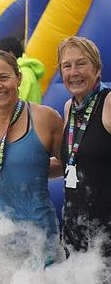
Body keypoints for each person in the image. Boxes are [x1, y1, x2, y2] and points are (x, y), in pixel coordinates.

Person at [0, 50, 63, 281]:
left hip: (37, 238)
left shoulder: (45, 117)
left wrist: (34, 171)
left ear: (18, 78)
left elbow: (65, 163)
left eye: (4, 77)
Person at [57, 36, 111, 278]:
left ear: (97, 70)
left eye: (81, 64)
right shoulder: (70, 108)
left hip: (106, 233)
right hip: (75, 229)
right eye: (67, 66)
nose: (73, 72)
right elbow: (72, 163)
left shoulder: (109, 102)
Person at [0, 36, 45, 103]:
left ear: (10, 54)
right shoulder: (26, 69)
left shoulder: (23, 73)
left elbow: (18, 102)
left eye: (0, 56)